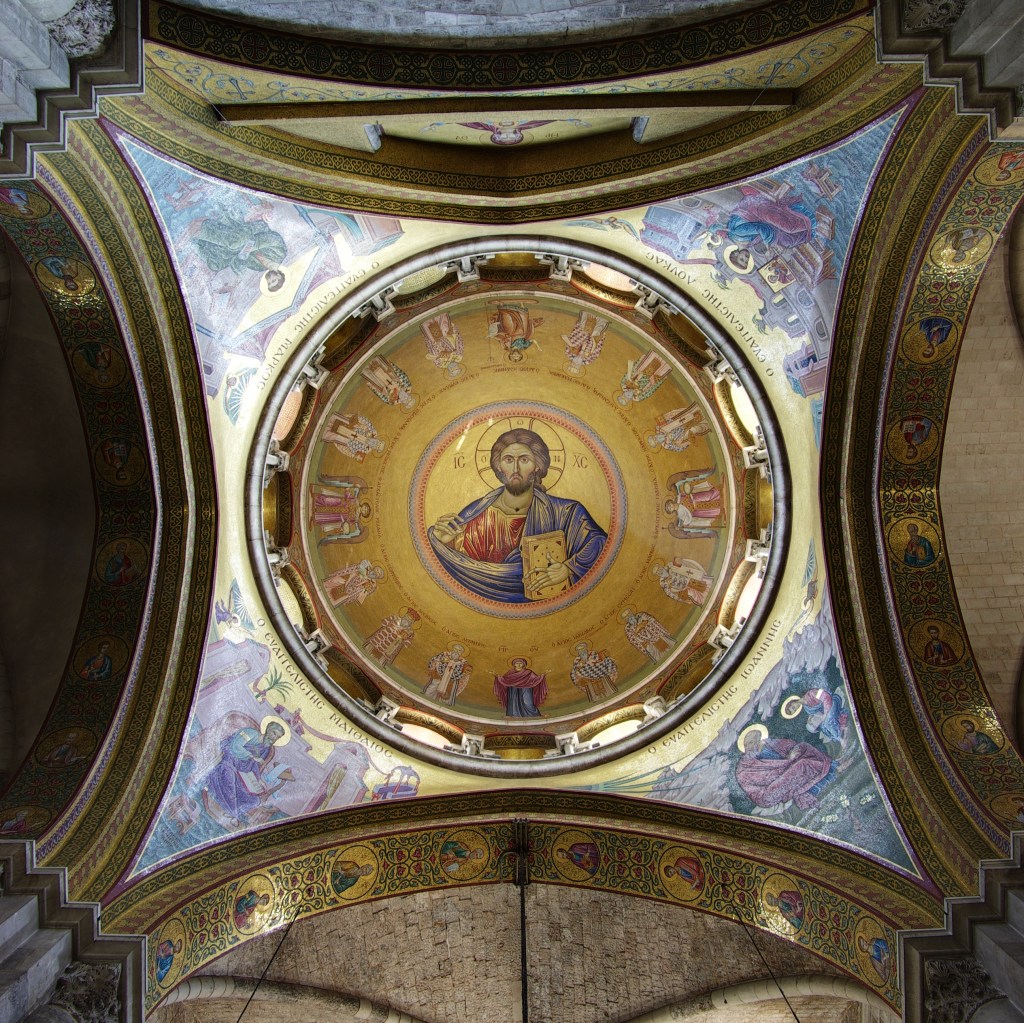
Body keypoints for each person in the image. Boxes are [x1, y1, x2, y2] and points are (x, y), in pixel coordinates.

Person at [428, 429, 606, 603]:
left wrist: (568, 568)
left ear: (537, 465)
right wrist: (444, 544)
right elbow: (461, 568)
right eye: (508, 460)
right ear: (498, 465)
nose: (515, 468)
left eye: (524, 460)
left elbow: (599, 542)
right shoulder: (475, 517)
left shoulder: (566, 513)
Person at [201, 720, 288, 825]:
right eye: (274, 733)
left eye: (277, 737)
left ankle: (232, 812)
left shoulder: (265, 748)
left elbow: (254, 766)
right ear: (268, 729)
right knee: (229, 778)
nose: (274, 738)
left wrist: (258, 780)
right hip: (229, 761)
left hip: (242, 773)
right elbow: (235, 746)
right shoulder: (250, 733)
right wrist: (252, 756)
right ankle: (233, 812)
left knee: (255, 801)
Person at [735, 727, 835, 812]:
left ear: (759, 739)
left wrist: (793, 753)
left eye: (753, 741)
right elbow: (766, 778)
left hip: (786, 772)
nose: (750, 746)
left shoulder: (770, 744)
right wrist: (788, 761)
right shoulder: (744, 766)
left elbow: (791, 746)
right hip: (767, 793)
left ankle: (833, 765)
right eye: (747, 744)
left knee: (804, 747)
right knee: (802, 764)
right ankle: (831, 770)